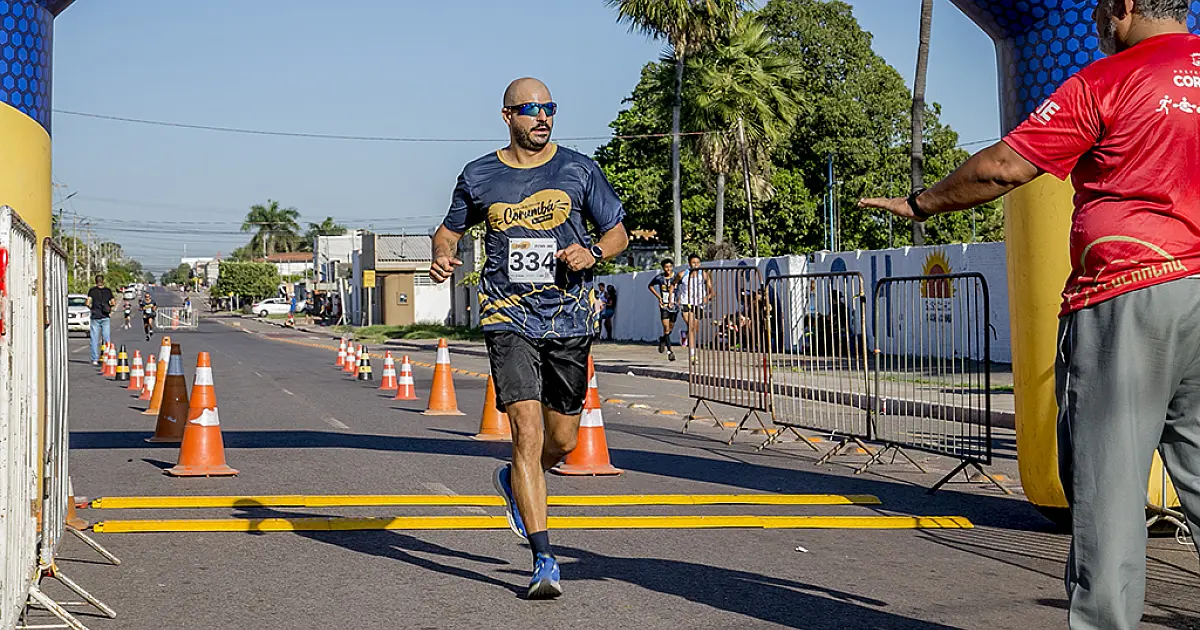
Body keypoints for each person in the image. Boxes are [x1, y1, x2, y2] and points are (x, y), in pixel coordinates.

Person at [859, 2, 1199, 627]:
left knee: (1108, 490)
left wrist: (923, 202)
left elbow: (1003, 167)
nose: (1098, 17)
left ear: (1124, 6)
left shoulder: (1111, 77)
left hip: (1131, 290)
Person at [429, 77, 628, 599]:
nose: (542, 117)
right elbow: (448, 231)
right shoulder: (479, 175)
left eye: (549, 108)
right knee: (527, 434)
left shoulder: (579, 169)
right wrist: (441, 255)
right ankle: (544, 559)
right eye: (531, 109)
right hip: (508, 316)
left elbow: (617, 231)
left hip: (569, 316)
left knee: (561, 442)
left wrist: (595, 254)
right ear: (507, 116)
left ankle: (515, 482)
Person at [676, 253, 713, 364]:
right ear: (689, 264)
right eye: (693, 263)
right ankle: (693, 355)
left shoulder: (704, 275)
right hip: (685, 302)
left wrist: (708, 297)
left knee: (695, 328)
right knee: (691, 327)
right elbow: (673, 285)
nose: (696, 265)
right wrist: (675, 298)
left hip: (699, 303)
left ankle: (684, 334)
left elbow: (712, 291)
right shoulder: (683, 274)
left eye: (697, 263)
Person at [648, 259, 679, 361]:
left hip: (674, 305)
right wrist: (659, 297)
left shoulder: (676, 277)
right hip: (664, 305)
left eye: (670, 267)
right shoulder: (660, 278)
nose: (668, 269)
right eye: (666, 267)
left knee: (670, 328)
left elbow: (684, 287)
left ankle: (663, 339)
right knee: (666, 328)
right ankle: (670, 351)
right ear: (663, 268)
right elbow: (650, 286)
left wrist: (679, 299)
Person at [85, 274, 115, 365]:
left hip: (95, 316)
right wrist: (108, 306)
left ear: (95, 281)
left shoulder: (92, 291)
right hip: (105, 316)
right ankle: (107, 357)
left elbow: (87, 302)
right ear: (103, 281)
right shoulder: (108, 291)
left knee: (94, 338)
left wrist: (91, 307)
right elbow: (113, 302)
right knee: (106, 337)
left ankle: (95, 359)